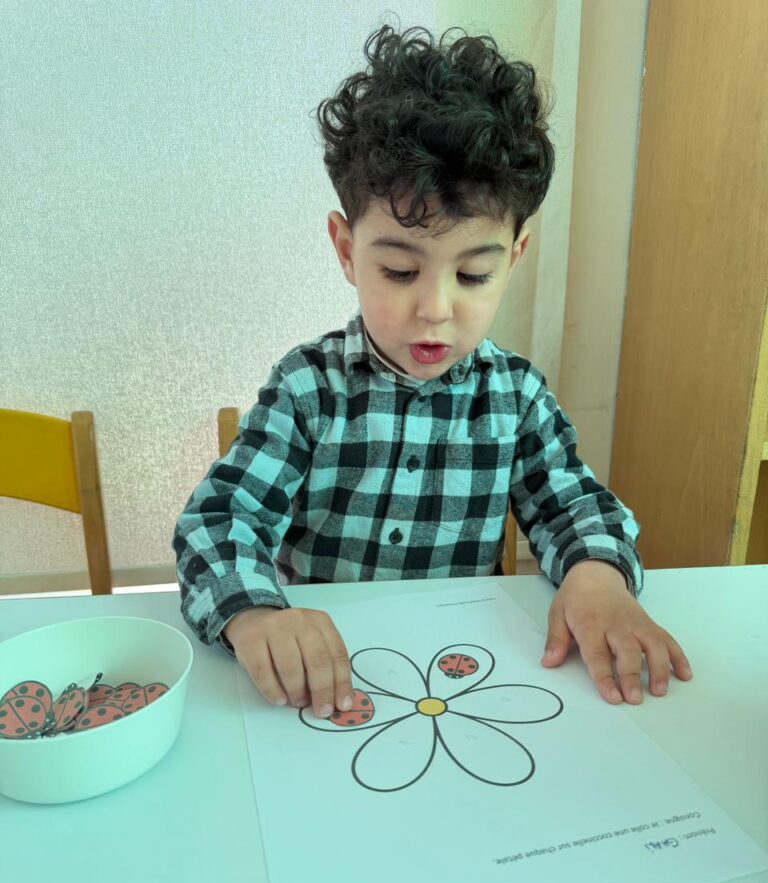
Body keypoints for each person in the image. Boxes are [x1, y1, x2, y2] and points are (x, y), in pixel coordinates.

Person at [173, 24, 692, 720]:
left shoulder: (515, 397)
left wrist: (597, 576)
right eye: (399, 269)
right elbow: (220, 519)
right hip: (325, 682)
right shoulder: (308, 389)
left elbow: (573, 507)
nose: (436, 310)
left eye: (473, 274)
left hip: (465, 676)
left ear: (514, 257)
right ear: (346, 249)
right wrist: (255, 613)